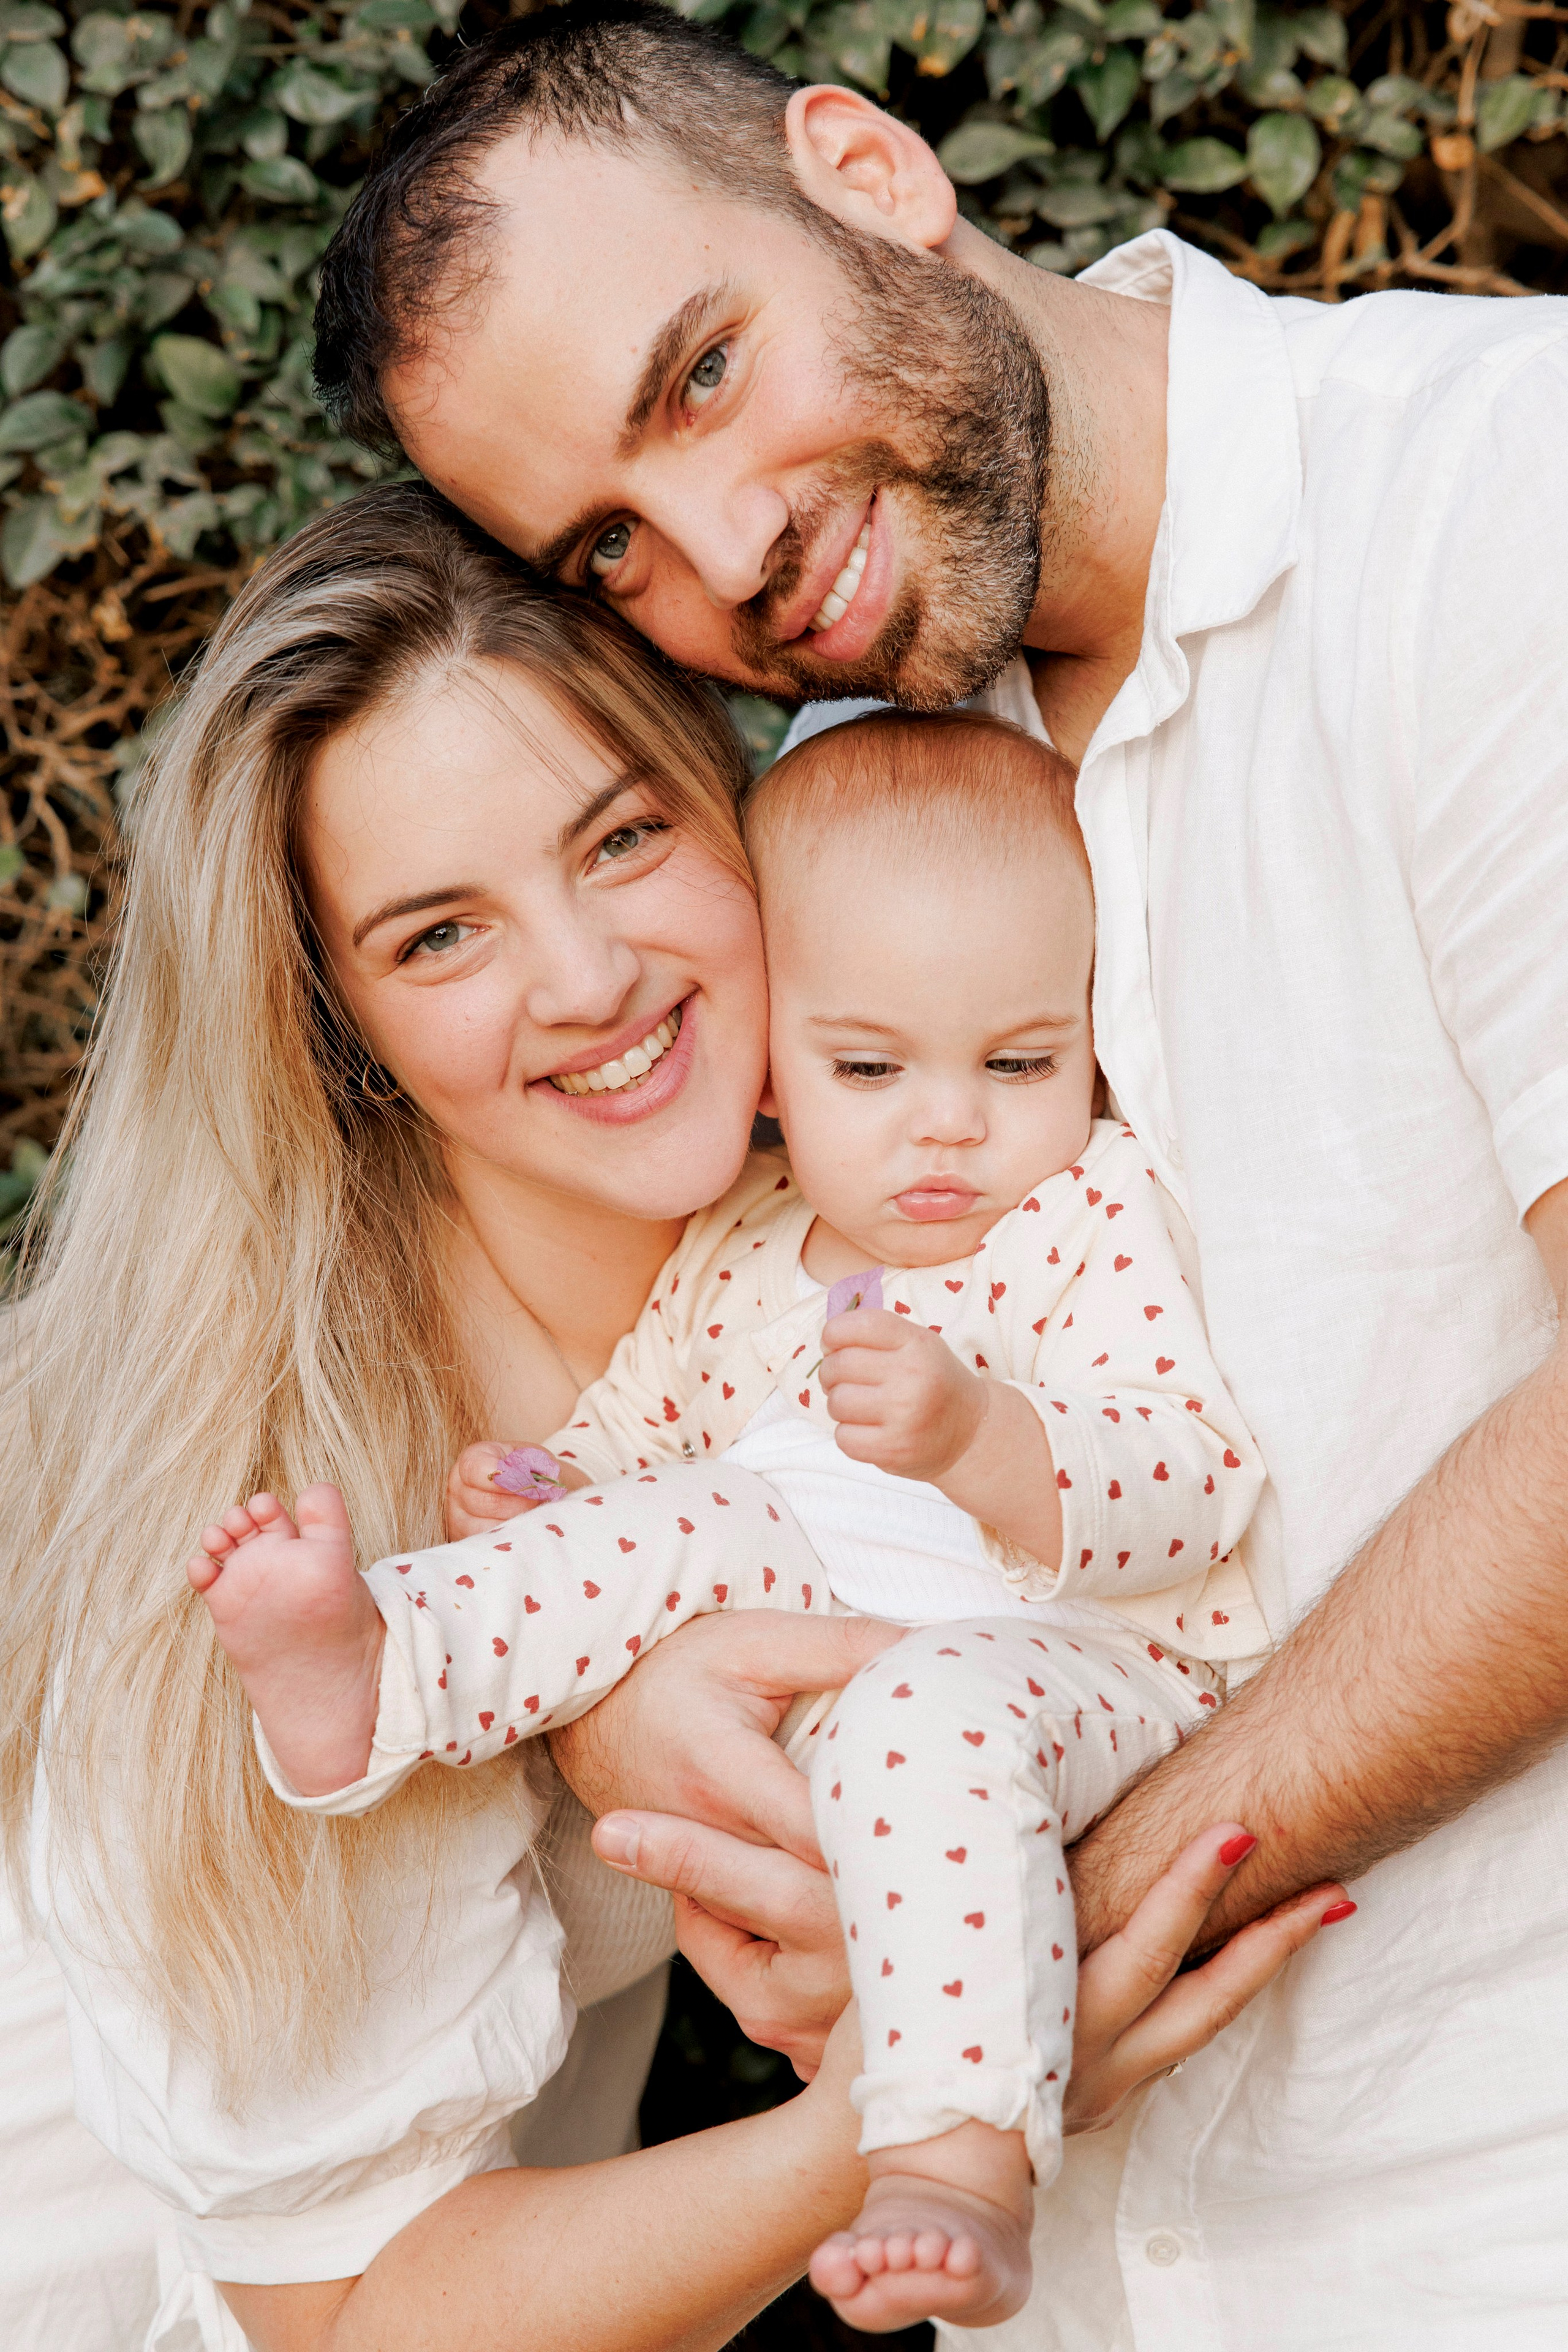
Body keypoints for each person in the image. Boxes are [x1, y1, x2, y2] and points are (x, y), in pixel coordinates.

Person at [309, 5, 1568, 2341]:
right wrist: (639, 1693)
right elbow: (708, 1346)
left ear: (870, 170)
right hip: (1075, 2285)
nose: (727, 554)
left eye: (703, 372)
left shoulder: (1502, 501)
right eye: (609, 544)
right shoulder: (851, 769)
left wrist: (1056, 1904)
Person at [0, 484, 1330, 2352]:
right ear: (338, 1026)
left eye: (623, 837)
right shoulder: (277, 1489)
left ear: (743, 812)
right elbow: (341, 2326)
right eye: (439, 936)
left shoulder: (870, 1221)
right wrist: (935, 2092)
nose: (591, 979)